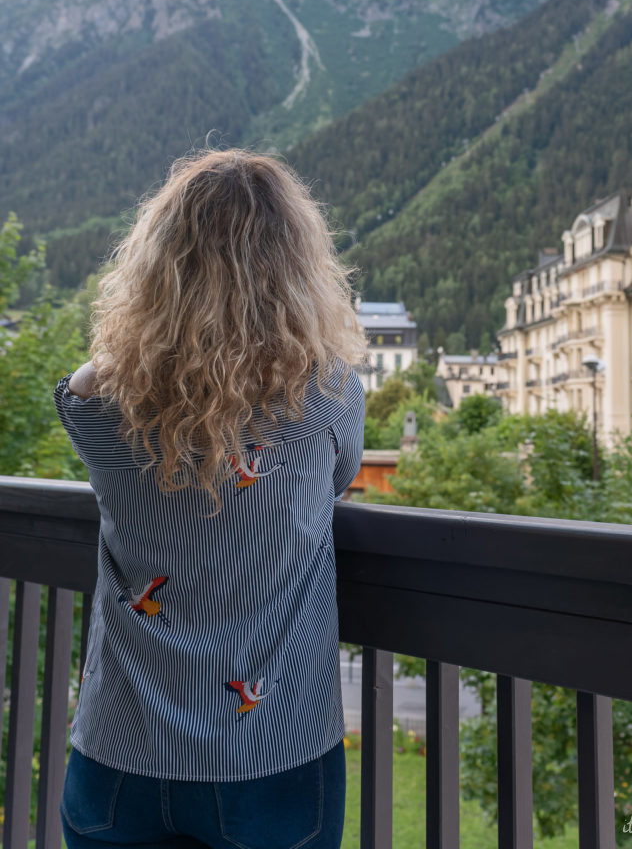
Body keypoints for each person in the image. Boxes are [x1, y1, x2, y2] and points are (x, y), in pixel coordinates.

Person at [54, 149, 366, 849]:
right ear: (296, 267)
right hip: (270, 758)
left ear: (155, 265)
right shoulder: (327, 396)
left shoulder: (98, 402)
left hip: (117, 757)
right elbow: (340, 478)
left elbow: (88, 379)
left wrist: (155, 342)